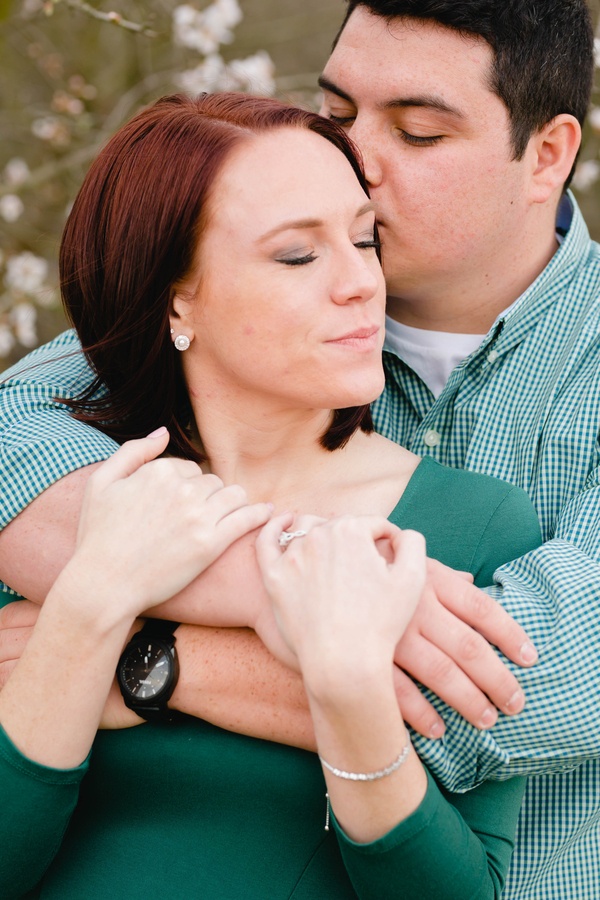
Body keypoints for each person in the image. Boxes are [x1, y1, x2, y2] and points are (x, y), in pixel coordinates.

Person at [1, 0, 599, 895]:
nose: (357, 157)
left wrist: (131, 653)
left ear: (547, 155)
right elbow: (19, 438)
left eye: (419, 132)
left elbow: (536, 688)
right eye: (340, 111)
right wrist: (265, 579)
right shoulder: (231, 317)